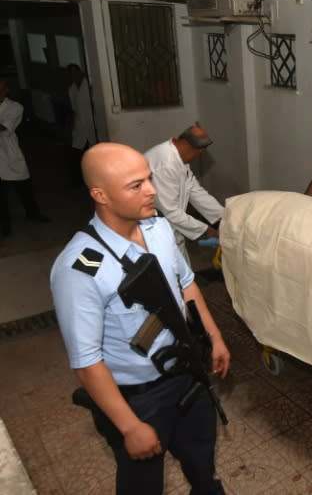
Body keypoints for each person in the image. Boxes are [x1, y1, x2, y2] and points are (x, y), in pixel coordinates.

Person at [50, 142, 230, 495]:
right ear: (100, 194)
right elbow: (86, 362)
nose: (152, 191)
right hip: (138, 397)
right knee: (142, 484)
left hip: (185, 372)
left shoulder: (158, 229)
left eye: (149, 179)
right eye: (136, 185)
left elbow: (187, 285)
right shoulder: (80, 269)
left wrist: (214, 337)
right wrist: (129, 426)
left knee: (201, 463)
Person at [144, 124, 224, 265]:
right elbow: (169, 211)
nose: (199, 156)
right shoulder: (165, 164)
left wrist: (224, 218)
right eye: (199, 152)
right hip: (157, 233)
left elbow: (195, 191)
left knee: (183, 275)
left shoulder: (179, 157)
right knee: (171, 277)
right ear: (190, 147)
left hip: (173, 230)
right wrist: (205, 230)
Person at [0, 79, 50, 237]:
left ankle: (33, 213)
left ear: (7, 90)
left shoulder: (15, 107)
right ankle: (4, 227)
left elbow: (4, 128)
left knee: (24, 187)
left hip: (10, 153)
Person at [67, 63, 97, 187]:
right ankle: (78, 181)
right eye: (71, 74)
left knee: (93, 153)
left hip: (92, 123)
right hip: (80, 125)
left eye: (75, 72)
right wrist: (73, 127)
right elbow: (75, 109)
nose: (74, 75)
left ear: (80, 72)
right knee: (76, 154)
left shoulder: (89, 85)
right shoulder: (72, 89)